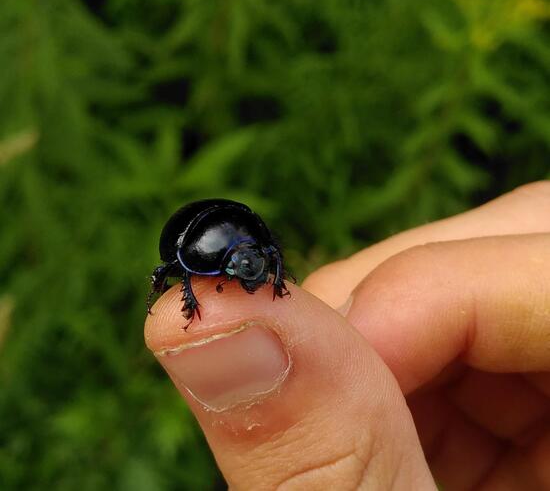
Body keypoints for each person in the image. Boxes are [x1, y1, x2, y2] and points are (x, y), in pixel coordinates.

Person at [144, 182, 550, 490]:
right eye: (238, 266)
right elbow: (182, 274)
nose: (249, 271)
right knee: (179, 291)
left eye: (252, 263)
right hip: (199, 238)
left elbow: (271, 252)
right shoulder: (194, 256)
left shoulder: (254, 239)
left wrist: (276, 279)